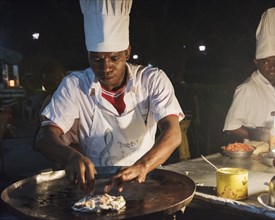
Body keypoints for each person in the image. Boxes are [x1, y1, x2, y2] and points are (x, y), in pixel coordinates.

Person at [35, 0, 183, 194]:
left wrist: (143, 165)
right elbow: (44, 137)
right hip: (95, 184)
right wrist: (70, 156)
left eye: (114, 58)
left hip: (145, 179)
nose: (105, 68)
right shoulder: (75, 84)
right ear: (88, 55)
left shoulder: (151, 80)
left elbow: (173, 133)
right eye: (97, 59)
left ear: (127, 52)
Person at [223, 7, 275, 142]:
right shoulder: (247, 88)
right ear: (256, 62)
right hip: (256, 154)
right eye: (266, 62)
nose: (272, 66)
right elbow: (231, 126)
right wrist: (259, 136)